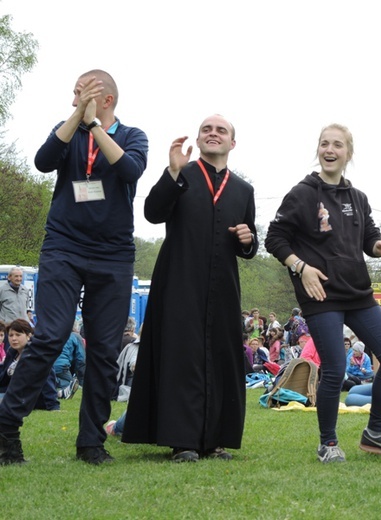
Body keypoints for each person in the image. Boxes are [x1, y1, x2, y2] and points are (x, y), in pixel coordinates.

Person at [0, 69, 148, 466]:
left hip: (113, 254)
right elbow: (43, 161)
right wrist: (77, 119)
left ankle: (90, 443)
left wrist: (95, 123)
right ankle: (6, 426)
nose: (73, 101)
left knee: (102, 349)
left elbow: (130, 170)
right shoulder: (67, 131)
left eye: (80, 94)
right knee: (50, 334)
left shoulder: (133, 136)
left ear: (106, 99)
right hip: (64, 247)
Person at [265, 123, 381, 463]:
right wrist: (301, 268)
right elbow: (274, 238)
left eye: (337, 145)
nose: (330, 150)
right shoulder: (302, 193)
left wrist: (378, 246)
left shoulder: (357, 198)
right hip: (321, 295)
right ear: (318, 150)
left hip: (358, 293)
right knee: (333, 367)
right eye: (324, 144)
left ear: (349, 153)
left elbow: (369, 239)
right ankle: (328, 443)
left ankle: (377, 431)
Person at [123, 114, 258, 463]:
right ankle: (181, 440)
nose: (213, 134)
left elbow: (248, 246)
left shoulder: (243, 190)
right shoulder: (181, 175)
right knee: (181, 357)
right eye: (206, 130)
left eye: (221, 130)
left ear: (232, 143)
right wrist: (171, 172)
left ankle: (215, 440)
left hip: (223, 288)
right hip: (179, 281)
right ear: (198, 140)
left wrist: (248, 240)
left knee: (221, 359)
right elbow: (153, 213)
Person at [0, 320, 59, 411]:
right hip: (14, 395)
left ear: (29, 336)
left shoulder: (37, 355)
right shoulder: (11, 353)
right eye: (11, 335)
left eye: (18, 335)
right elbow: (3, 380)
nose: (14, 338)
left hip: (32, 399)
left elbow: (47, 381)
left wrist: (53, 406)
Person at [53, 323, 85, 399]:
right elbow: (81, 359)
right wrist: (82, 381)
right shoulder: (75, 336)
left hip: (48, 366)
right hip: (62, 366)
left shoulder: (52, 334)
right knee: (69, 387)